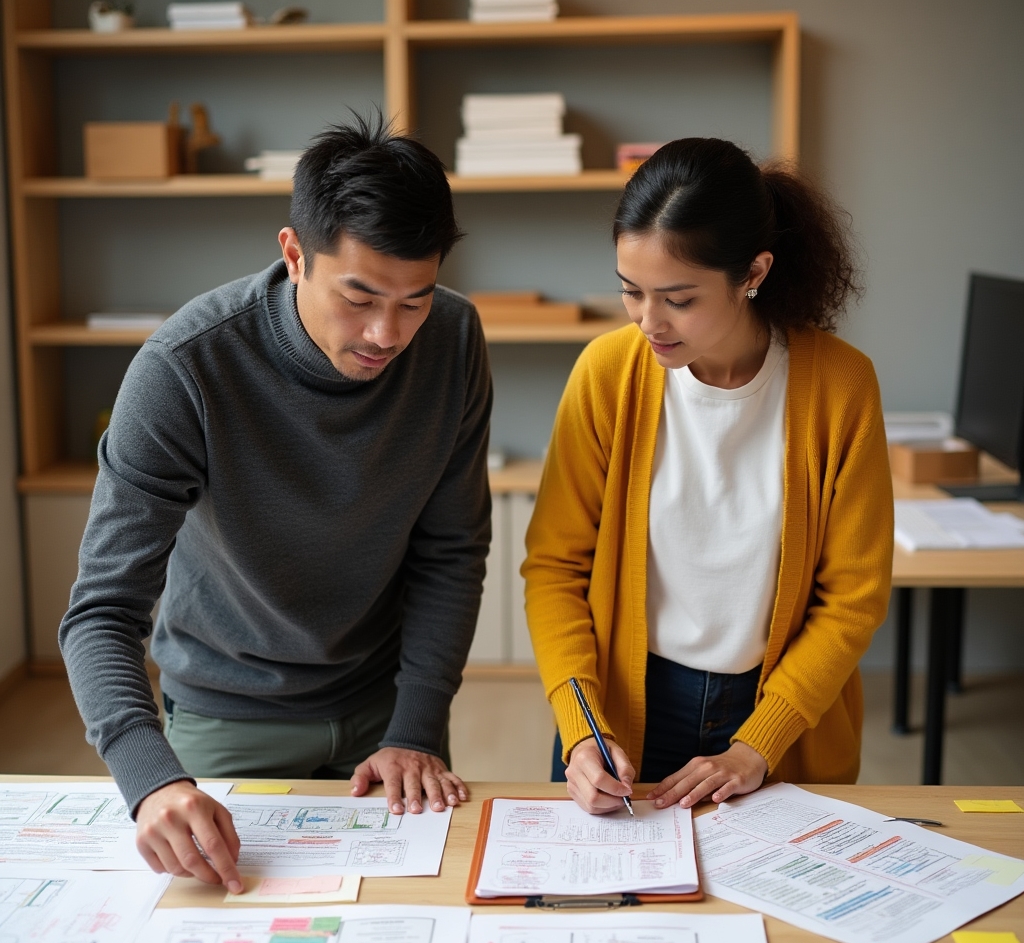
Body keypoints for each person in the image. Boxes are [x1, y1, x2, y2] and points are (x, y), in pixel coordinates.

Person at [60, 114, 492, 891]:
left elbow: (451, 553)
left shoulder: (455, 339)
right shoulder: (184, 368)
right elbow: (101, 609)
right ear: (294, 254)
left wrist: (416, 727)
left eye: (414, 301)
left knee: (414, 921)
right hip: (228, 710)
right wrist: (150, 778)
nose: (387, 333)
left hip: (388, 706)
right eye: (358, 297)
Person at [523, 137, 893, 815]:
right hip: (619, 714)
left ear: (753, 271)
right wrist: (581, 732)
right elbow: (553, 568)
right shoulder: (607, 375)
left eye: (678, 298)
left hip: (778, 717)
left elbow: (854, 596)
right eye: (630, 292)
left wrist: (758, 742)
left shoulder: (841, 386)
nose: (648, 320)